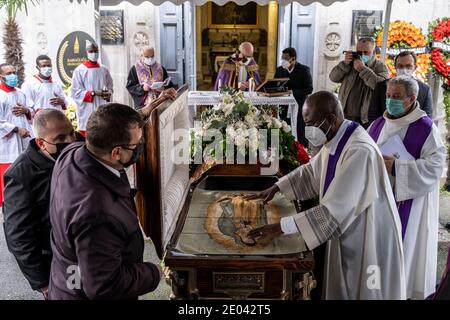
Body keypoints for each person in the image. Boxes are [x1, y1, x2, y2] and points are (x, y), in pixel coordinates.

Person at [245, 91, 406, 300]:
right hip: (347, 228)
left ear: (331, 119)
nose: (309, 130)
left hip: (364, 235)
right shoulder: (339, 136)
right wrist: (276, 187)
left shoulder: (359, 151)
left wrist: (279, 227)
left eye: (311, 123)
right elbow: (312, 171)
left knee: (359, 289)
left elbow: (332, 213)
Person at [48, 96, 177, 300]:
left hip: (64, 279)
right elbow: (104, 286)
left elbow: (108, 127)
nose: (141, 145)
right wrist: (154, 272)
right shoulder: (98, 212)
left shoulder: (71, 153)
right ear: (117, 152)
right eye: (137, 144)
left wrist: (143, 114)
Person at [367, 76, 445, 299]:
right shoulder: (377, 124)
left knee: (406, 257)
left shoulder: (426, 129)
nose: (391, 101)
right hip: (378, 201)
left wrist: (398, 168)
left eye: (397, 97)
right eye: (389, 96)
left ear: (412, 99)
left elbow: (435, 168)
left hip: (410, 207)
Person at [2, 109, 77, 300]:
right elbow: (19, 234)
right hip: (57, 263)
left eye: (71, 133)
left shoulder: (76, 151)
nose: (69, 141)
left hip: (84, 252)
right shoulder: (21, 174)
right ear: (41, 143)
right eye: (60, 138)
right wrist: (42, 283)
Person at [329, 37, 389, 127]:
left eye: (366, 52)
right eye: (359, 52)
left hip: (365, 119)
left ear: (373, 52)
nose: (362, 55)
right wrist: (345, 64)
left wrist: (363, 69)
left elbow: (381, 87)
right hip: (344, 115)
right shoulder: (350, 63)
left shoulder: (380, 67)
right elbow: (333, 77)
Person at [0, 63, 33, 206]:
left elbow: (32, 110)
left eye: (14, 72)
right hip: (8, 144)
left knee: (25, 170)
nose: (13, 75)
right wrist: (16, 129)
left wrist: (26, 110)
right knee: (9, 174)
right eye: (8, 73)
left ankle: (26, 200)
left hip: (24, 139)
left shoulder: (20, 92)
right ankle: (10, 204)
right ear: (1, 77)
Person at [368, 51, 433, 123]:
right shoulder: (381, 86)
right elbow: (373, 115)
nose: (404, 70)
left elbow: (427, 118)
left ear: (415, 67)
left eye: (408, 66)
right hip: (385, 130)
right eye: (400, 66)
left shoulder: (424, 89)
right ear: (395, 67)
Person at [71, 42, 113, 137]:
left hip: (102, 107)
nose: (94, 53)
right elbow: (75, 93)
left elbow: (110, 86)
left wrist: (108, 94)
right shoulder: (79, 70)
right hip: (87, 109)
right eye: (91, 51)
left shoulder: (104, 69)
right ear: (87, 52)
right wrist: (93, 93)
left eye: (96, 51)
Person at [274, 47, 313, 146]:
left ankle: (303, 150)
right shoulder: (279, 70)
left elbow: (309, 89)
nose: (283, 61)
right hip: (284, 105)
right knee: (284, 127)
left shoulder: (304, 70)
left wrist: (293, 92)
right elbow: (274, 85)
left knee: (300, 128)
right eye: (282, 58)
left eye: (286, 59)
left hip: (299, 105)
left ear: (293, 59)